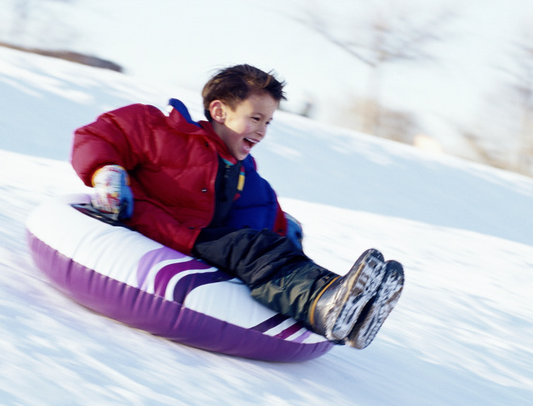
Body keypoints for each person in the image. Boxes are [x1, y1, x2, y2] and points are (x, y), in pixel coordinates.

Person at [71, 64, 403, 349]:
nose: (261, 131)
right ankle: (325, 303)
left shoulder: (242, 170)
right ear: (219, 111)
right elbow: (98, 136)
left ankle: (353, 306)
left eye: (269, 122)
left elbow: (259, 209)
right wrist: (106, 173)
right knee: (251, 249)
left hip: (205, 239)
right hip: (159, 225)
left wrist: (282, 227)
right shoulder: (160, 128)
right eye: (256, 118)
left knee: (268, 249)